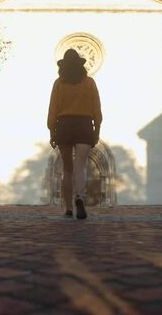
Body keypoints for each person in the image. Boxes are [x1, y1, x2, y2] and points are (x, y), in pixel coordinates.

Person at [47, 49, 102, 219]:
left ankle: (69, 208)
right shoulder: (89, 83)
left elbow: (53, 110)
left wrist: (52, 131)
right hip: (84, 125)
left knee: (67, 169)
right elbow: (97, 109)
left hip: (64, 125)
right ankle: (80, 197)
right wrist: (96, 130)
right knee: (81, 165)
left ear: (63, 67)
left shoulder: (59, 83)